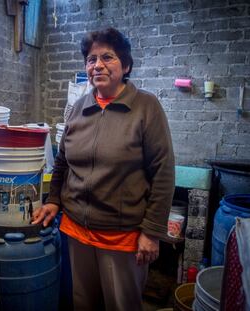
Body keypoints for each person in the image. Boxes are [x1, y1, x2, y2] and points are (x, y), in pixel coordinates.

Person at [32, 27, 175, 311]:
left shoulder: (146, 106)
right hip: (76, 230)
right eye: (91, 59)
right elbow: (62, 161)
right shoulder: (78, 108)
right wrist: (54, 201)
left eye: (107, 57)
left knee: (121, 304)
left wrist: (152, 232)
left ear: (126, 65)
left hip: (122, 236)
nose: (97, 64)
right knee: (83, 302)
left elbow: (163, 171)